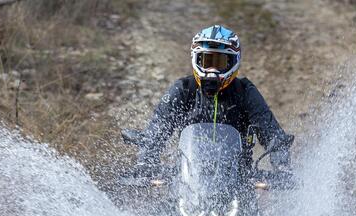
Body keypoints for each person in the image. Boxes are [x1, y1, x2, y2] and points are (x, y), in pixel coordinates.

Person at [126, 24, 294, 178]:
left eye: (220, 62)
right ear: (196, 59)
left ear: (234, 62)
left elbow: (271, 132)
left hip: (239, 183)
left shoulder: (245, 92)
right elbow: (159, 126)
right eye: (207, 61)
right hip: (186, 182)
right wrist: (145, 160)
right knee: (161, 210)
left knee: (256, 211)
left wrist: (282, 165)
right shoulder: (184, 89)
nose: (212, 69)